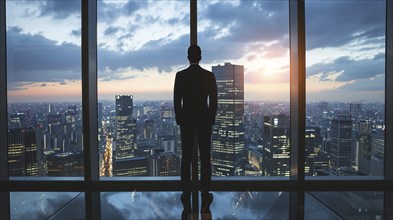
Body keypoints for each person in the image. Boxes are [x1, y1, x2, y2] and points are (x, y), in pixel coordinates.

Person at [174, 45, 217, 218]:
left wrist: (180, 120)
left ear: (188, 57)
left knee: (186, 158)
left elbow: (177, 100)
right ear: (200, 56)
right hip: (204, 121)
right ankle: (205, 194)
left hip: (187, 122)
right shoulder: (209, 76)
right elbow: (214, 101)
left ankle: (186, 194)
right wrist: (210, 119)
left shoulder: (180, 76)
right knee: (205, 158)